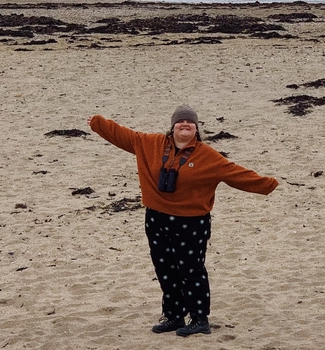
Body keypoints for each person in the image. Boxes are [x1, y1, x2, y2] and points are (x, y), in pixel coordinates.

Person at [87, 105, 278, 336]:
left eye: (190, 122)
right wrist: (98, 123)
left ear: (196, 129)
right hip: (156, 219)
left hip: (191, 222)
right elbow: (122, 134)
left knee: (191, 271)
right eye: (180, 122)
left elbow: (235, 174)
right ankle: (174, 317)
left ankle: (199, 319)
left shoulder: (208, 156)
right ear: (173, 126)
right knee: (165, 269)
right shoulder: (151, 144)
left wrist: (268, 185)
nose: (185, 125)